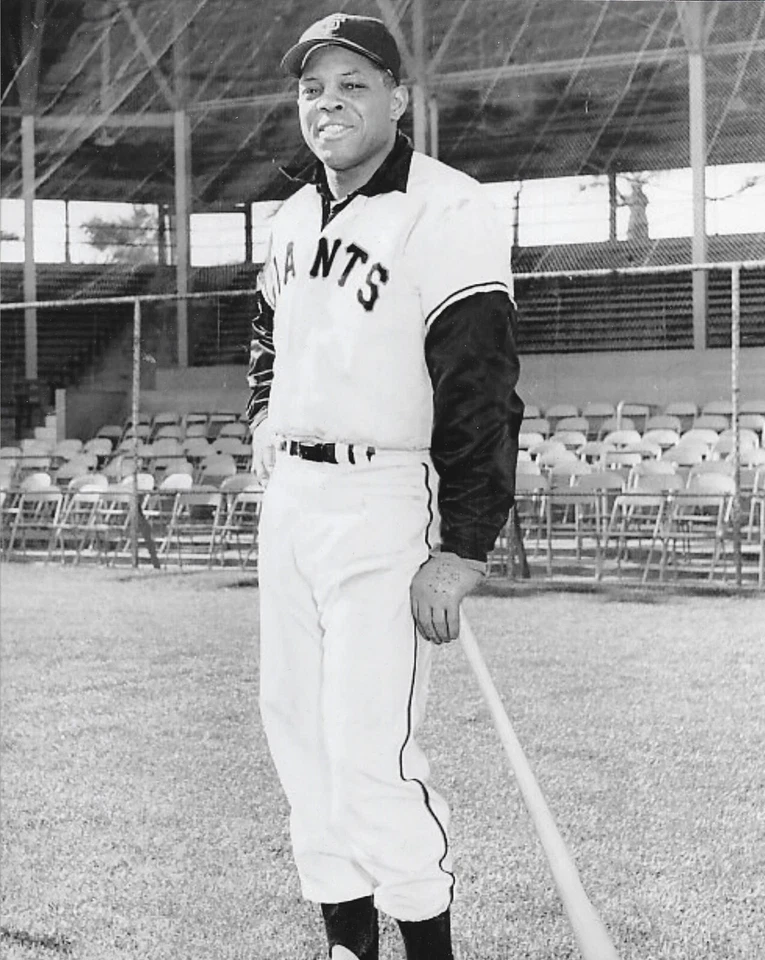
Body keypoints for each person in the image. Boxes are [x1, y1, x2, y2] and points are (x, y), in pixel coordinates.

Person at [246, 13, 523, 959]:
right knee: (299, 742)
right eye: (312, 88)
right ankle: (345, 945)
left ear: (399, 97)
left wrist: (463, 548)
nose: (328, 103)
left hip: (380, 499)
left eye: (353, 84)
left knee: (370, 754)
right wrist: (259, 414)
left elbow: (479, 384)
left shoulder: (446, 208)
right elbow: (264, 329)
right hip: (292, 499)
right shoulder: (288, 215)